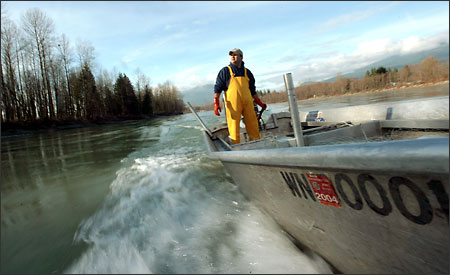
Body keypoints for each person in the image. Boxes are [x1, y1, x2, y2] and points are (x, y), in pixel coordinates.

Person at [213, 48, 267, 144]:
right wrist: (216, 103)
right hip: (233, 105)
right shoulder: (225, 71)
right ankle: (236, 147)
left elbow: (252, 90)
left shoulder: (248, 72)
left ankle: (256, 144)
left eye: (235, 54)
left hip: (248, 103)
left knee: (253, 124)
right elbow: (218, 88)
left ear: (241, 57)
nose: (232, 57)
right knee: (233, 126)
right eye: (231, 55)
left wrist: (259, 103)